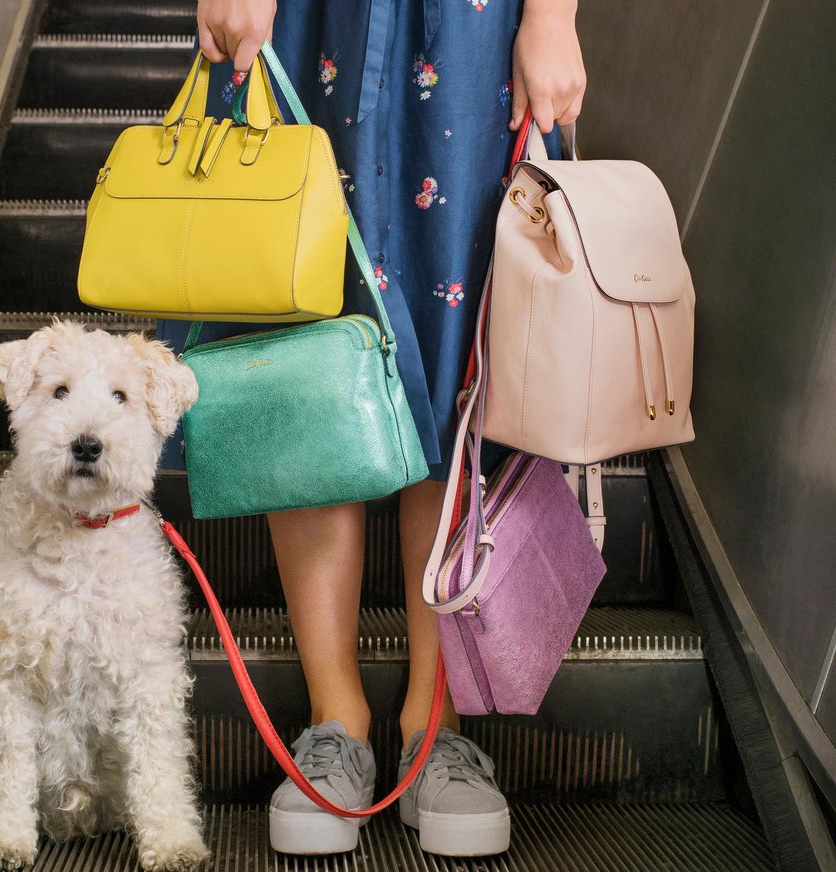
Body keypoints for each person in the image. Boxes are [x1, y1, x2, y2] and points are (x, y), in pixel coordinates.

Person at [158, 0, 586, 856]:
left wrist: (553, 14)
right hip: (309, 18)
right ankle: (334, 723)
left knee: (465, 346)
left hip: (475, 28)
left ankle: (438, 723)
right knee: (299, 328)